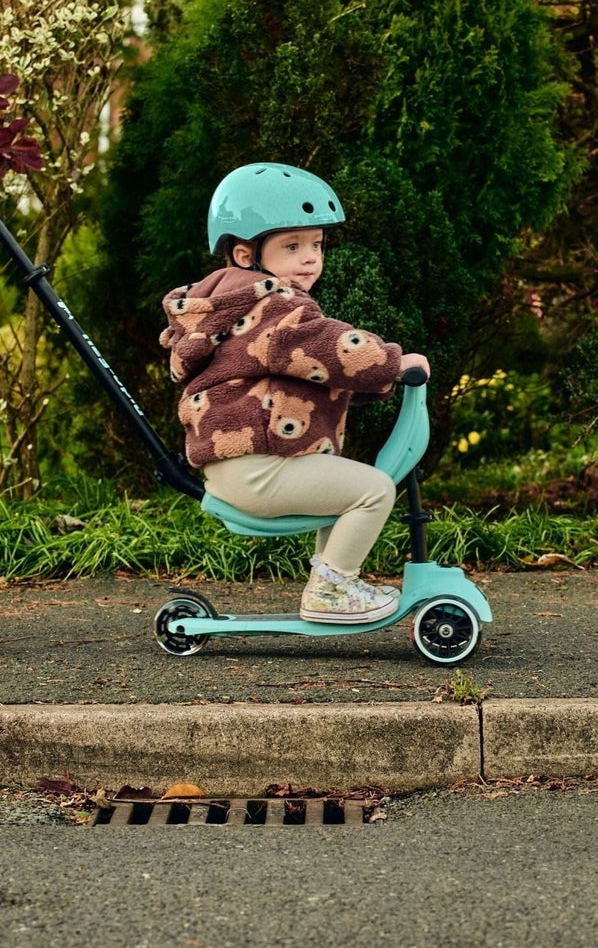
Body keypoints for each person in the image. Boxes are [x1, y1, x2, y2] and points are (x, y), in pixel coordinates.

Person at [159, 162, 430, 622]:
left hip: (243, 464)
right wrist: (391, 362)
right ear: (247, 255)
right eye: (292, 246)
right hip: (259, 467)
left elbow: (302, 376)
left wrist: (371, 386)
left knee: (348, 484)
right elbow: (326, 346)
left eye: (316, 245)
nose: (310, 258)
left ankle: (336, 583)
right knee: (373, 489)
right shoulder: (274, 305)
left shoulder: (237, 303)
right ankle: (330, 592)